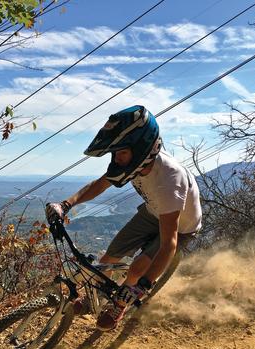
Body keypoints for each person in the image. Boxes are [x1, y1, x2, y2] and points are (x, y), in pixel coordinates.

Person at [46, 105, 202, 331]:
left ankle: (119, 305)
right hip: (152, 213)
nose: (116, 159)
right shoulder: (134, 163)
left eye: (121, 153)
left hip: (181, 226)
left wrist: (143, 286)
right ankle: (94, 301)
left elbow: (169, 243)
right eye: (114, 153)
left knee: (137, 270)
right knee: (109, 258)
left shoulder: (169, 179)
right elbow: (100, 184)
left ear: (141, 149)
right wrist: (66, 205)